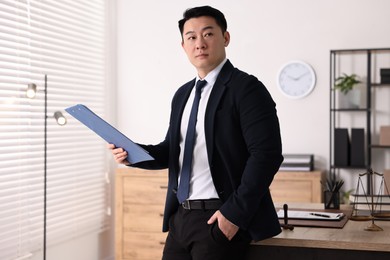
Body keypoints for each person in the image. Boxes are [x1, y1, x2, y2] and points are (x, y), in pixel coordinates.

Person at [109, 5, 283, 260]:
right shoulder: (183, 94)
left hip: (219, 218)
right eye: (191, 37)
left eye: (208, 34)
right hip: (180, 218)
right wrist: (132, 153)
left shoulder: (246, 89)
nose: (199, 43)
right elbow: (171, 150)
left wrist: (233, 215)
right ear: (183, 46)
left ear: (225, 38)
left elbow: (266, 155)